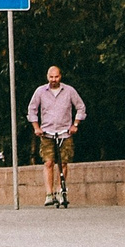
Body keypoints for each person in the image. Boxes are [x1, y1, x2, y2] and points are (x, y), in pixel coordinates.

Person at [28, 66, 85, 208]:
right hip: (47, 132)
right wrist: (36, 127)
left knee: (63, 162)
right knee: (48, 162)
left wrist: (75, 124)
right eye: (51, 77)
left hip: (65, 132)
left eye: (56, 77)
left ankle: (61, 190)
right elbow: (32, 109)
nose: (54, 80)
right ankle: (49, 193)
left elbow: (81, 107)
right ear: (47, 77)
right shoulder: (40, 91)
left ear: (61, 76)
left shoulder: (69, 91)